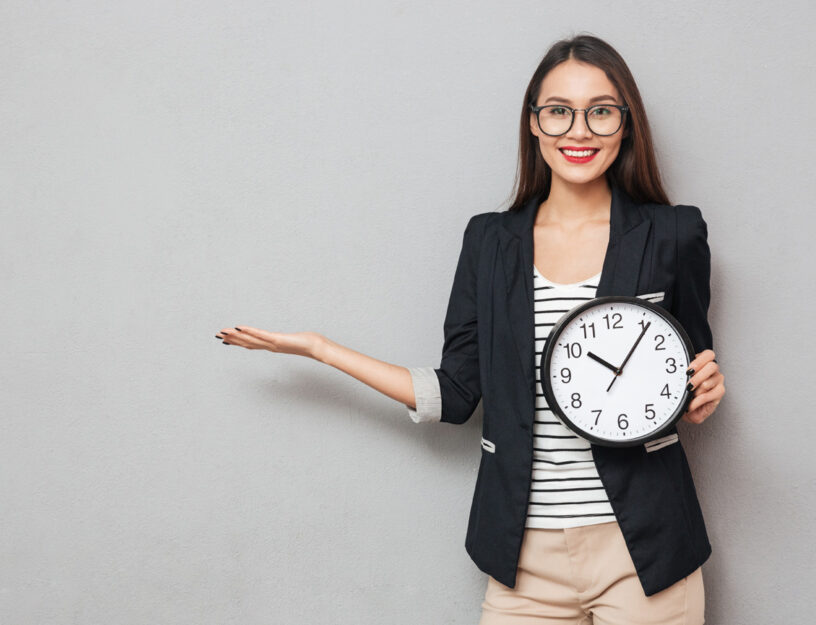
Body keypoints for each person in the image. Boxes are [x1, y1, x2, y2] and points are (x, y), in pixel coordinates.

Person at [215, 34, 726, 625]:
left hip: (648, 550)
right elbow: (457, 395)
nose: (578, 131)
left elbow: (686, 368)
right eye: (558, 111)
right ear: (533, 124)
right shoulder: (490, 242)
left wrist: (705, 390)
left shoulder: (675, 234)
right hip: (522, 557)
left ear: (625, 124)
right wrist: (322, 349)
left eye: (600, 112)